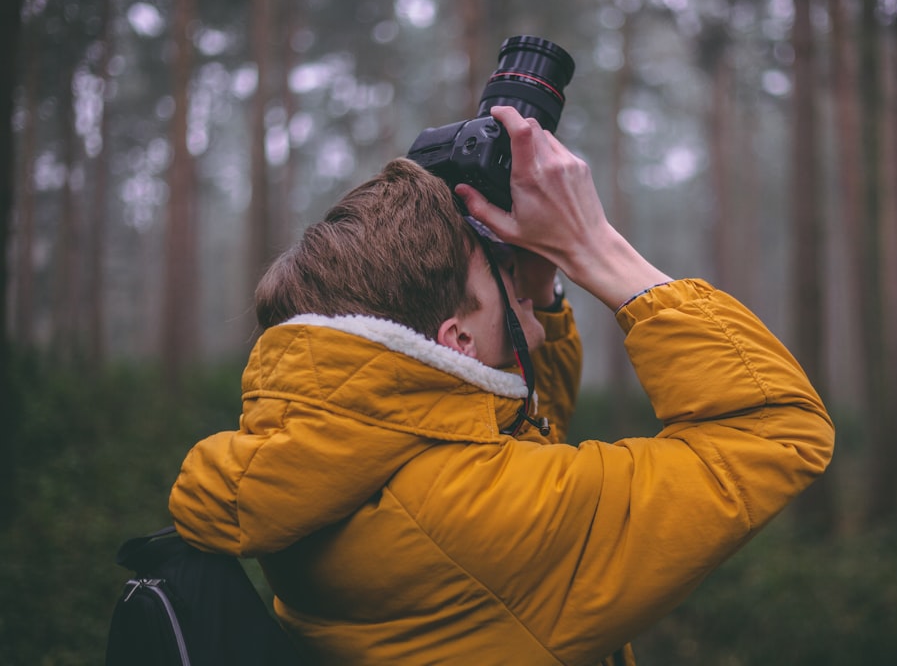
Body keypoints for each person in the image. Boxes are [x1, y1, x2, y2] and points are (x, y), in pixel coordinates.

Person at [169, 105, 834, 665]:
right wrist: (594, 248)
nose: (532, 306)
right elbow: (774, 430)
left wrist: (538, 284)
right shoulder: (472, 517)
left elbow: (511, 432)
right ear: (455, 342)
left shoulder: (325, 453)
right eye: (507, 284)